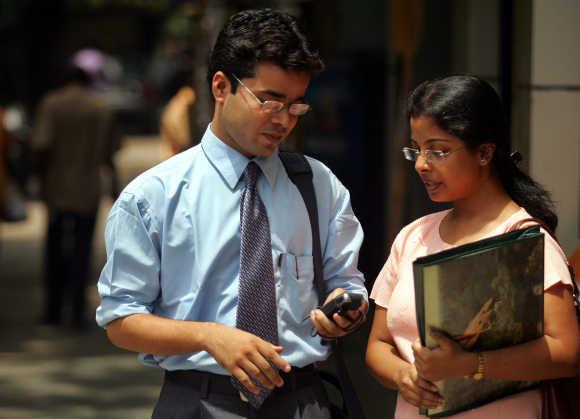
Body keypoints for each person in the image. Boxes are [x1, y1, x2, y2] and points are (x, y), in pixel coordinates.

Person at [96, 8, 367, 419]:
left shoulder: (317, 185)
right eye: (270, 102)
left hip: (303, 399)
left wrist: (346, 309)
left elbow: (347, 283)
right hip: (200, 399)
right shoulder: (154, 197)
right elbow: (122, 320)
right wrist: (209, 337)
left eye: (296, 107)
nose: (283, 122)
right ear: (221, 86)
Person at [365, 75, 579, 418]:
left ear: (484, 152)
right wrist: (403, 375)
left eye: (438, 150)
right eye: (416, 149)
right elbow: (378, 345)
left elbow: (566, 353)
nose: (421, 164)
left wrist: (469, 364)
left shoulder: (525, 241)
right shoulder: (412, 237)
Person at [31, 63, 119, 329]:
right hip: (88, 188)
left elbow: (41, 145)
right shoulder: (99, 108)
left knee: (55, 249)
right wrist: (115, 186)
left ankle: (53, 310)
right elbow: (109, 152)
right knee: (82, 250)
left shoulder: (51, 104)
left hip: (57, 188)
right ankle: (78, 312)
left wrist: (38, 181)